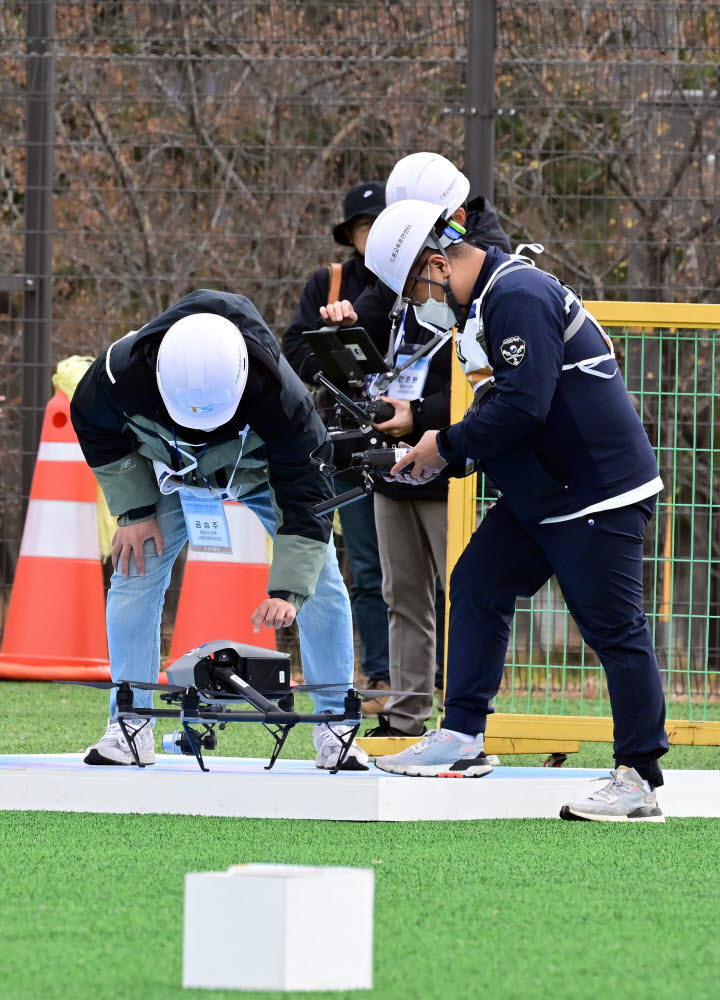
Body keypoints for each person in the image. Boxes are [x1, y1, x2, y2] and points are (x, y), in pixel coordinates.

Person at [362, 198, 668, 822]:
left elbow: (524, 406)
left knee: (614, 629)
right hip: (545, 493)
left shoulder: (517, 293)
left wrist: (444, 445)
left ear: (438, 262)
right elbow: (501, 409)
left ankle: (640, 777)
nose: (415, 301)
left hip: (597, 491)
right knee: (476, 581)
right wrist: (431, 434)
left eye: (413, 283)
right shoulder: (485, 305)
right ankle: (463, 737)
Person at [70, 289, 368, 771]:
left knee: (323, 580)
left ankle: (336, 726)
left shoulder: (285, 401)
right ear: (158, 377)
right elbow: (95, 428)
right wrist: (135, 510)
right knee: (133, 567)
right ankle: (128, 724)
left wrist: (290, 590)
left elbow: (306, 499)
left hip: (256, 474)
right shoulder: (117, 374)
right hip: (166, 473)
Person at [319, 153, 512, 740]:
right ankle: (406, 718)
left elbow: (489, 376)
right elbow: (383, 309)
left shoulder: (488, 271)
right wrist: (351, 319)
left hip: (449, 449)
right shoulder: (410, 262)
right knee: (402, 592)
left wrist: (426, 418)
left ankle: (469, 719)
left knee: (466, 590)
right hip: (394, 448)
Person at [283, 181, 392, 714]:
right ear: (350, 235)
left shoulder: (417, 278)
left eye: (381, 224)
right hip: (346, 440)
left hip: (412, 436)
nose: (371, 236)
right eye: (363, 227)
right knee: (365, 566)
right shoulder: (328, 283)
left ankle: (435, 674)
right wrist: (337, 358)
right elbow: (293, 350)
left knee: (429, 568)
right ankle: (379, 676)